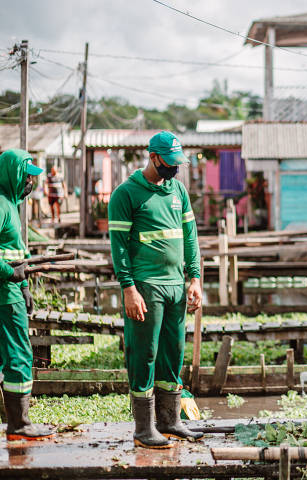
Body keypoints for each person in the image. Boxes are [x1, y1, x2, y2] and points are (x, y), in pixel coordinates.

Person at [108, 131, 203, 449]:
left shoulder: (178, 191)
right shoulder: (126, 194)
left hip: (176, 287)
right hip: (146, 288)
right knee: (144, 354)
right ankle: (143, 428)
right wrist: (128, 288)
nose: (174, 168)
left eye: (178, 163)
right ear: (153, 157)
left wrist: (194, 278)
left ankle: (170, 421)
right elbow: (119, 247)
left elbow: (190, 237)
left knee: (173, 353)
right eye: (170, 162)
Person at [0, 149, 55, 440]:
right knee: (19, 356)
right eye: (26, 177)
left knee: (8, 357)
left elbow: (18, 251)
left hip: (13, 292)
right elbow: (9, 263)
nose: (30, 183)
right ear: (12, 174)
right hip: (4, 296)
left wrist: (25, 287)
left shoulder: (11, 205)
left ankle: (15, 422)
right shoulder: (1, 205)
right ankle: (19, 424)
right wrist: (10, 275)